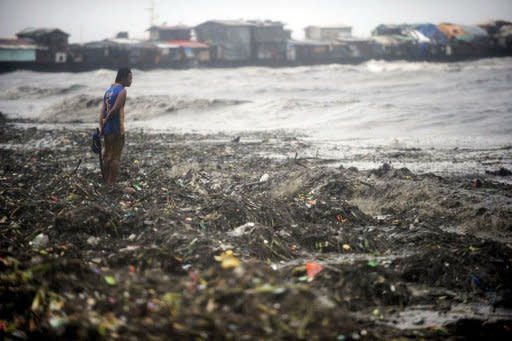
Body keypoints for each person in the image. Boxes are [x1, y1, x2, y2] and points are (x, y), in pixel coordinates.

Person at [99, 67, 132, 185]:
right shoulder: (122, 91)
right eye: (129, 78)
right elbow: (114, 110)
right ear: (122, 78)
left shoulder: (108, 90)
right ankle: (111, 182)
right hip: (116, 127)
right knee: (115, 156)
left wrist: (102, 125)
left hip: (107, 128)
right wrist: (107, 121)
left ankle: (106, 180)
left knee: (107, 154)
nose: (131, 81)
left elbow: (103, 109)